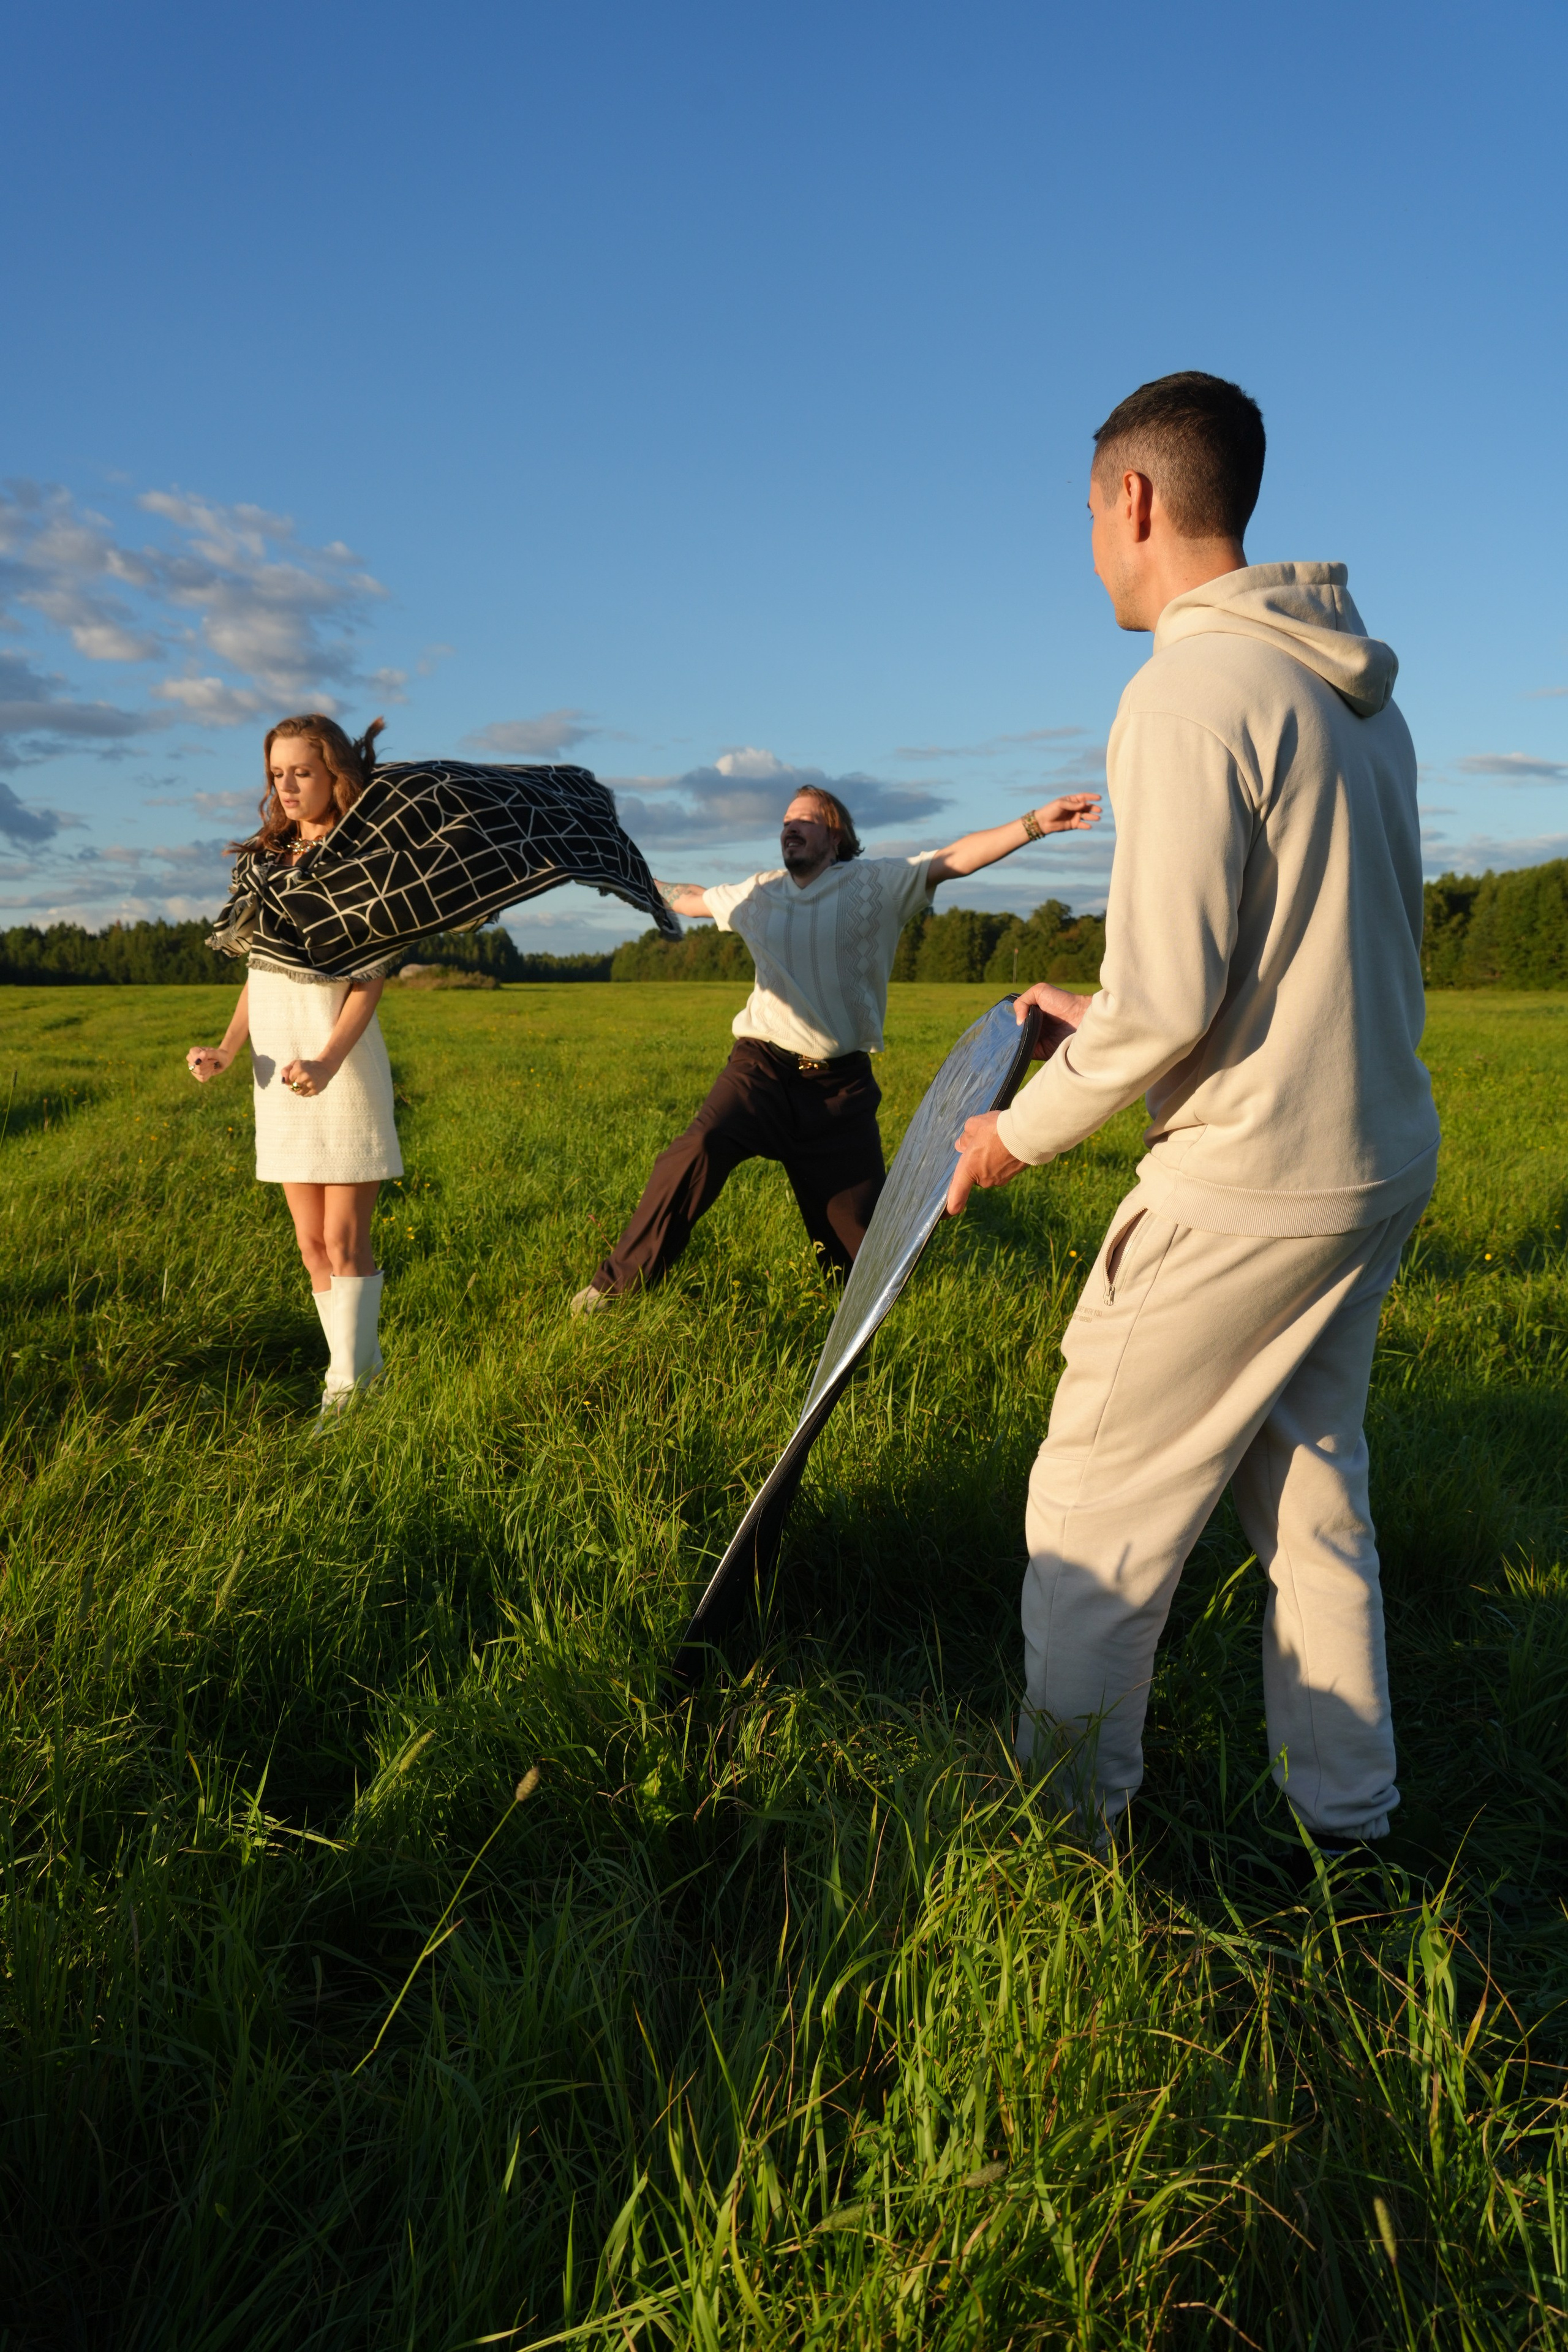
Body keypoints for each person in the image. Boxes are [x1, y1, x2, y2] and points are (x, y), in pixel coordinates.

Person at [948, 372, 1440, 1863]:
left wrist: (1005, 1138)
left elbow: (1167, 1005)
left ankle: (1057, 1850)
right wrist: (1094, 1014)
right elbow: (1293, 964)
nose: (1090, 550)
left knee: (1091, 1513)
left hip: (1242, 1186)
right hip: (1365, 1158)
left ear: (1134, 502)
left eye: (1087, 518)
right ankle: (1349, 1836)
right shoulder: (1353, 695)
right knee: (1310, 1497)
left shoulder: (1183, 690)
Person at [573, 782, 1101, 1311]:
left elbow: (955, 857)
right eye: (784, 820)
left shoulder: (877, 884)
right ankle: (611, 1291)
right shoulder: (760, 892)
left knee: (862, 1263)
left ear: (837, 836)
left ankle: (857, 1321)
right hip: (759, 1070)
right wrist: (626, 876)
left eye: (805, 818)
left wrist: (1037, 823)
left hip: (838, 1091)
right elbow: (688, 899)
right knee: (698, 1148)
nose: (790, 826)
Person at [187, 714, 404, 1423]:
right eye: (276, 773)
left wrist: (330, 1060)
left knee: (345, 1240)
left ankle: (342, 1396)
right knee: (312, 1247)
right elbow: (261, 972)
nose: (285, 786)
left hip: (335, 1065)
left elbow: (368, 979)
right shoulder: (263, 865)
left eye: (300, 772)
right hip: (276, 1069)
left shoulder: (362, 862)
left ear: (332, 775)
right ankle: (358, 1376)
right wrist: (225, 1049)